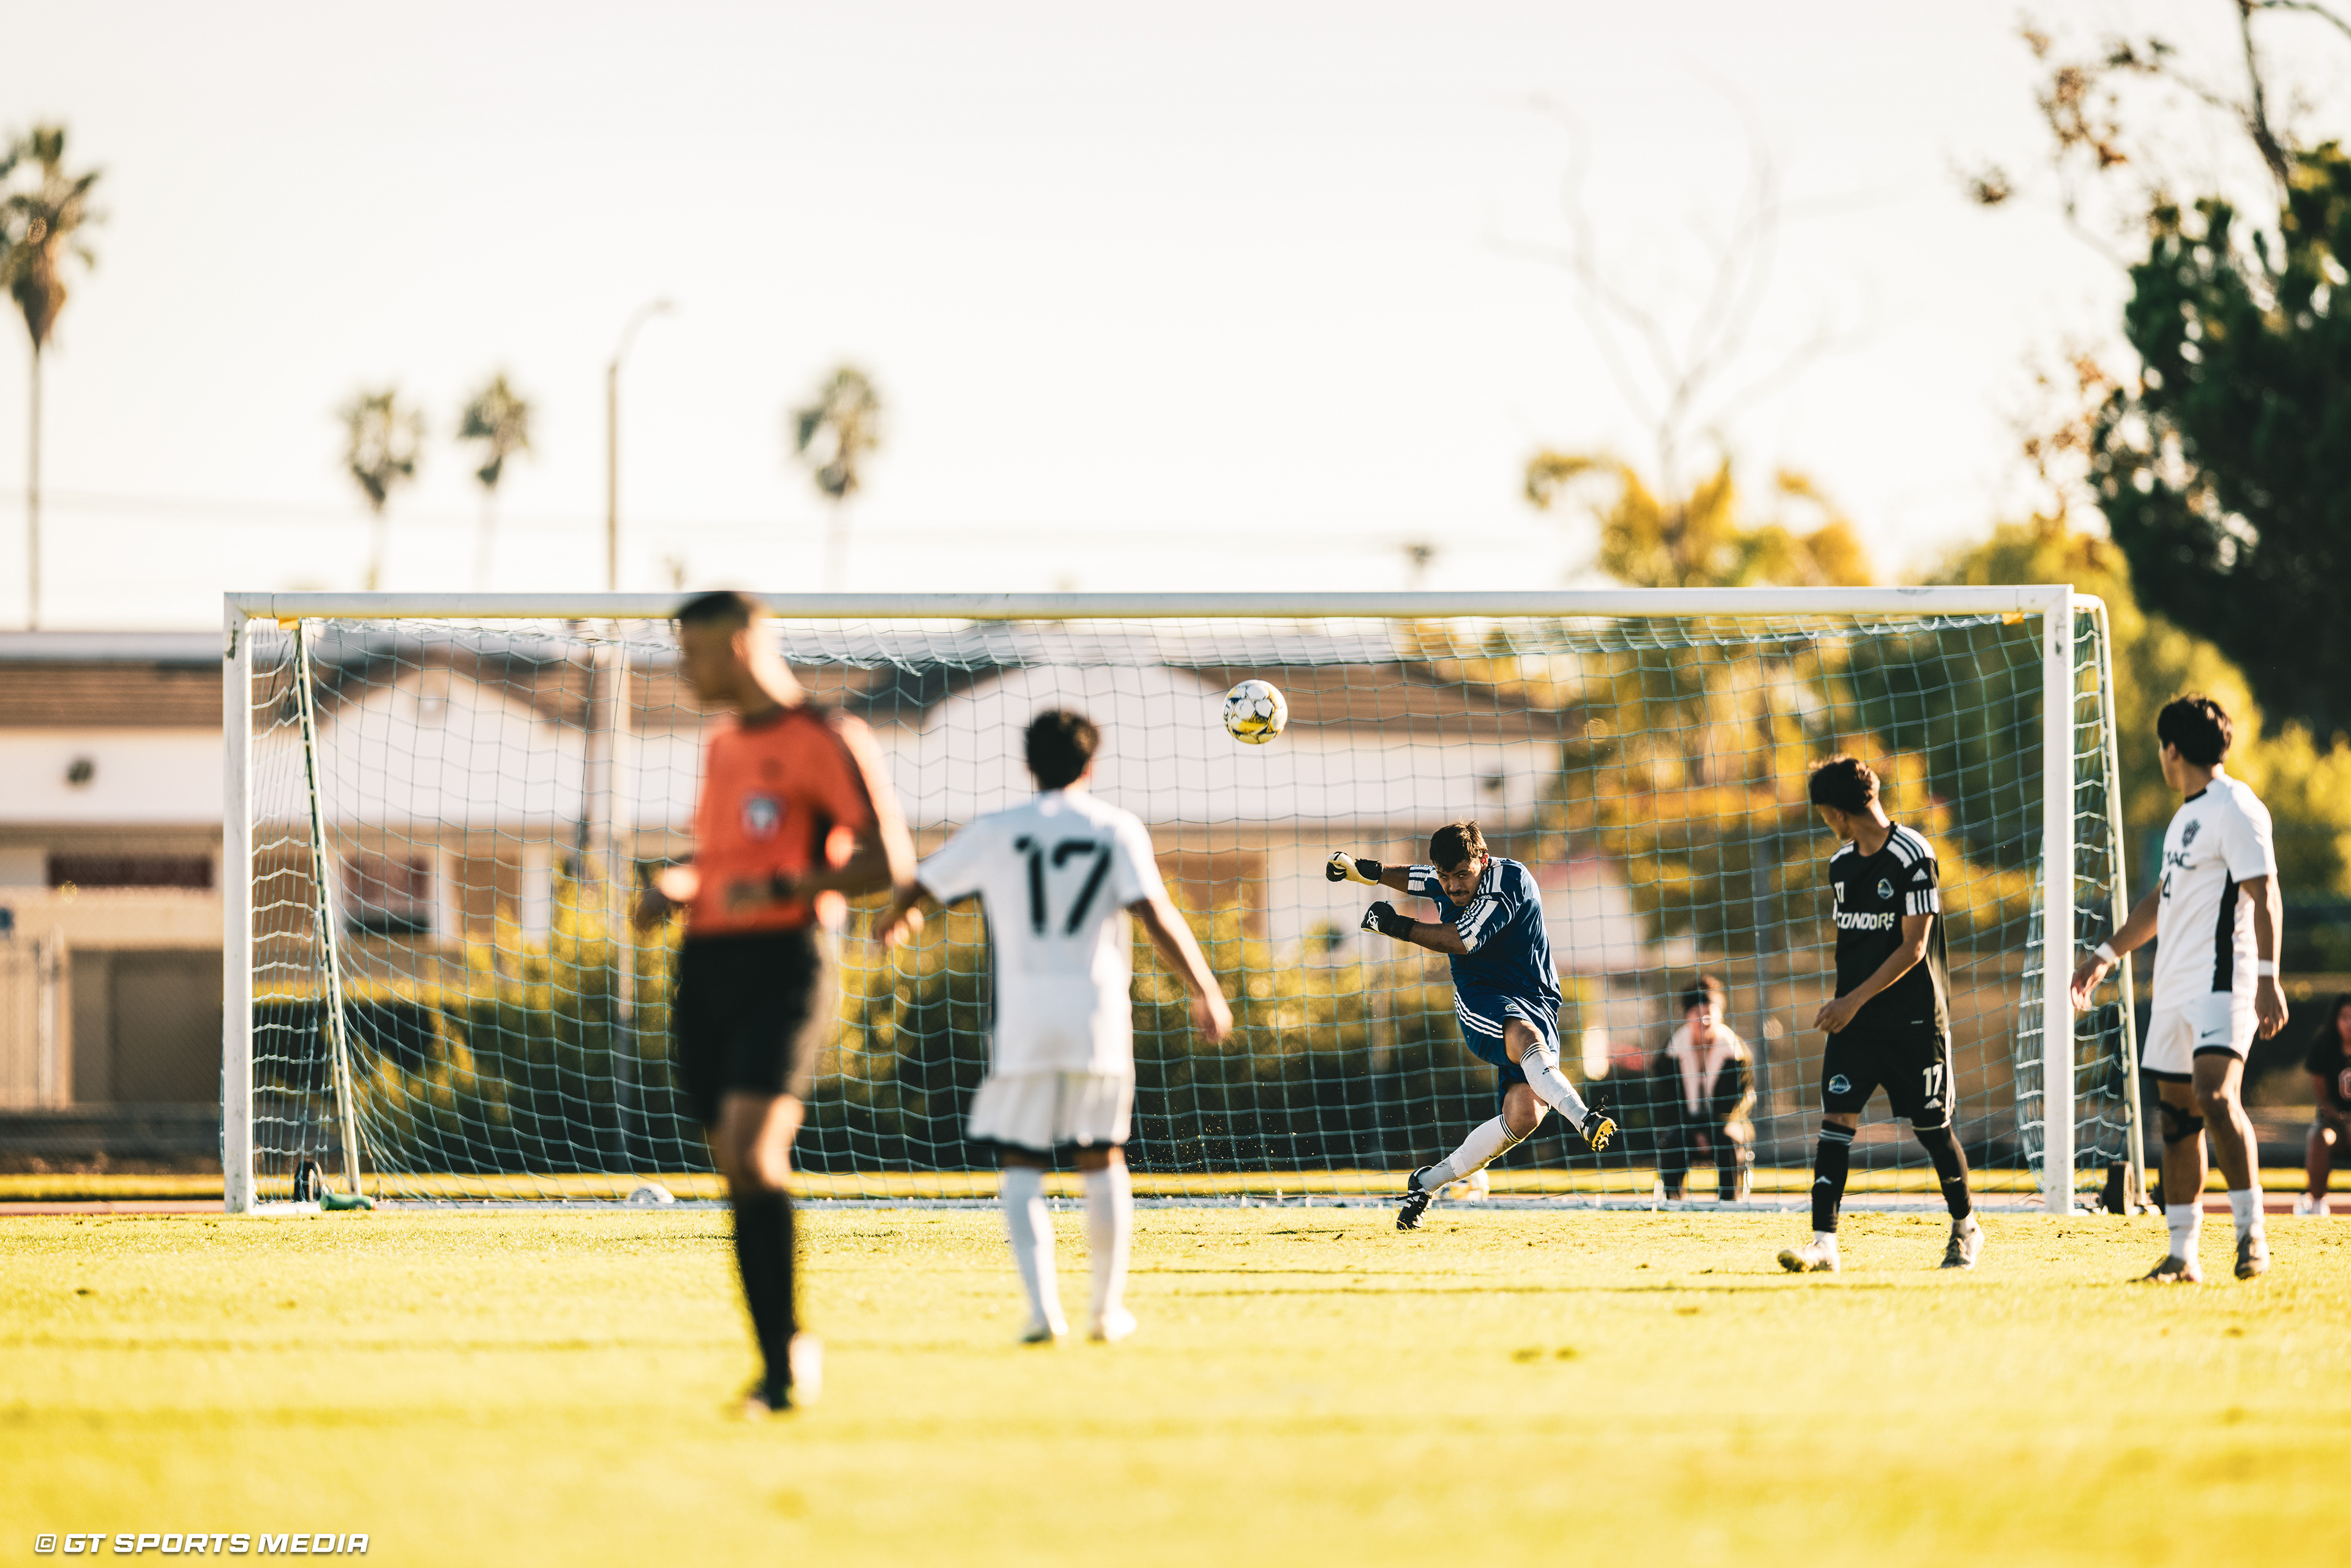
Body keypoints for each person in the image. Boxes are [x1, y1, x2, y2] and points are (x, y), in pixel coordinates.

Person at [632, 590, 918, 1416]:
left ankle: (783, 1367)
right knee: (734, 1162)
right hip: (706, 963)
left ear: (740, 645)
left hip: (787, 962)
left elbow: (888, 861)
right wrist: (677, 884)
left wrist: (785, 887)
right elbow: (725, 860)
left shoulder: (827, 737)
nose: (683, 670)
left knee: (757, 1156)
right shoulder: (723, 745)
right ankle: (782, 1350)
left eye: (692, 653)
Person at [878, 710, 1231, 1345]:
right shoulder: (1115, 827)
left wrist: (895, 916)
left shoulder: (997, 829)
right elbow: (1155, 912)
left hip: (1024, 1018)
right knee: (1102, 1155)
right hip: (1096, 1013)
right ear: (1090, 765)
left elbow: (922, 881)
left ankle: (1043, 1311)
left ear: (1028, 765)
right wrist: (1204, 988)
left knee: (1021, 1159)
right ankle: (1105, 1311)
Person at [2071, 694, 2289, 1282]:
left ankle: (2252, 1236)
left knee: (2216, 1096)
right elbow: (2161, 901)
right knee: (2176, 1118)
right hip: (2172, 987)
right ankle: (2181, 1255)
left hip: (2224, 982)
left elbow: (2265, 892)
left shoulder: (2237, 806)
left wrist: (2268, 977)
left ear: (2172, 749)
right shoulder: (2182, 818)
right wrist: (2105, 955)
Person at [1330, 821, 1616, 1232]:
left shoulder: (1509, 882)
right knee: (1526, 1038)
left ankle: (1425, 1183)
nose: (1452, 886)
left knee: (1524, 1116)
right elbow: (1418, 877)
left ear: (1483, 860)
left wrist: (1395, 925)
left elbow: (1461, 939)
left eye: (1462, 874)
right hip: (1482, 998)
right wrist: (1364, 870)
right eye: (1445, 875)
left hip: (1536, 1001)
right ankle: (1585, 1119)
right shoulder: (1449, 877)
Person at [1778, 756, 1984, 1274]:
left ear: (1838, 812)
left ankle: (1966, 1227)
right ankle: (1824, 1244)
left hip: (1914, 1022)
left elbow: (1914, 947)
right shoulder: (1841, 865)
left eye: (1825, 814)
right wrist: (1848, 1005)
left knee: (1932, 1128)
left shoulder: (1915, 854)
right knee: (1835, 1122)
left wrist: (1851, 1000)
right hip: (1856, 1024)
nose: (1827, 823)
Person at [1652, 976, 1755, 1202]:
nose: (1704, 1019)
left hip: (1726, 1123)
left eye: (1709, 1012)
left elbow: (1736, 1104)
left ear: (1721, 1015)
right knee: (1673, 1140)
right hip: (1685, 1125)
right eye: (1696, 1013)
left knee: (1728, 1139)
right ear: (1687, 1016)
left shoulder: (1738, 1055)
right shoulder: (1668, 1056)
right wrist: (1695, 1131)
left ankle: (1730, 1203)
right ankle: (1673, 1202)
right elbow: (1667, 1104)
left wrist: (1709, 1130)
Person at [2299, 994, 2351, 1215]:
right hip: (2335, 1124)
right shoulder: (2324, 1046)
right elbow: (2323, 1100)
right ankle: (2317, 1205)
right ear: (2335, 1020)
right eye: (2344, 1017)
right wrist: (2344, 1122)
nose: (2349, 1023)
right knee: (2318, 1137)